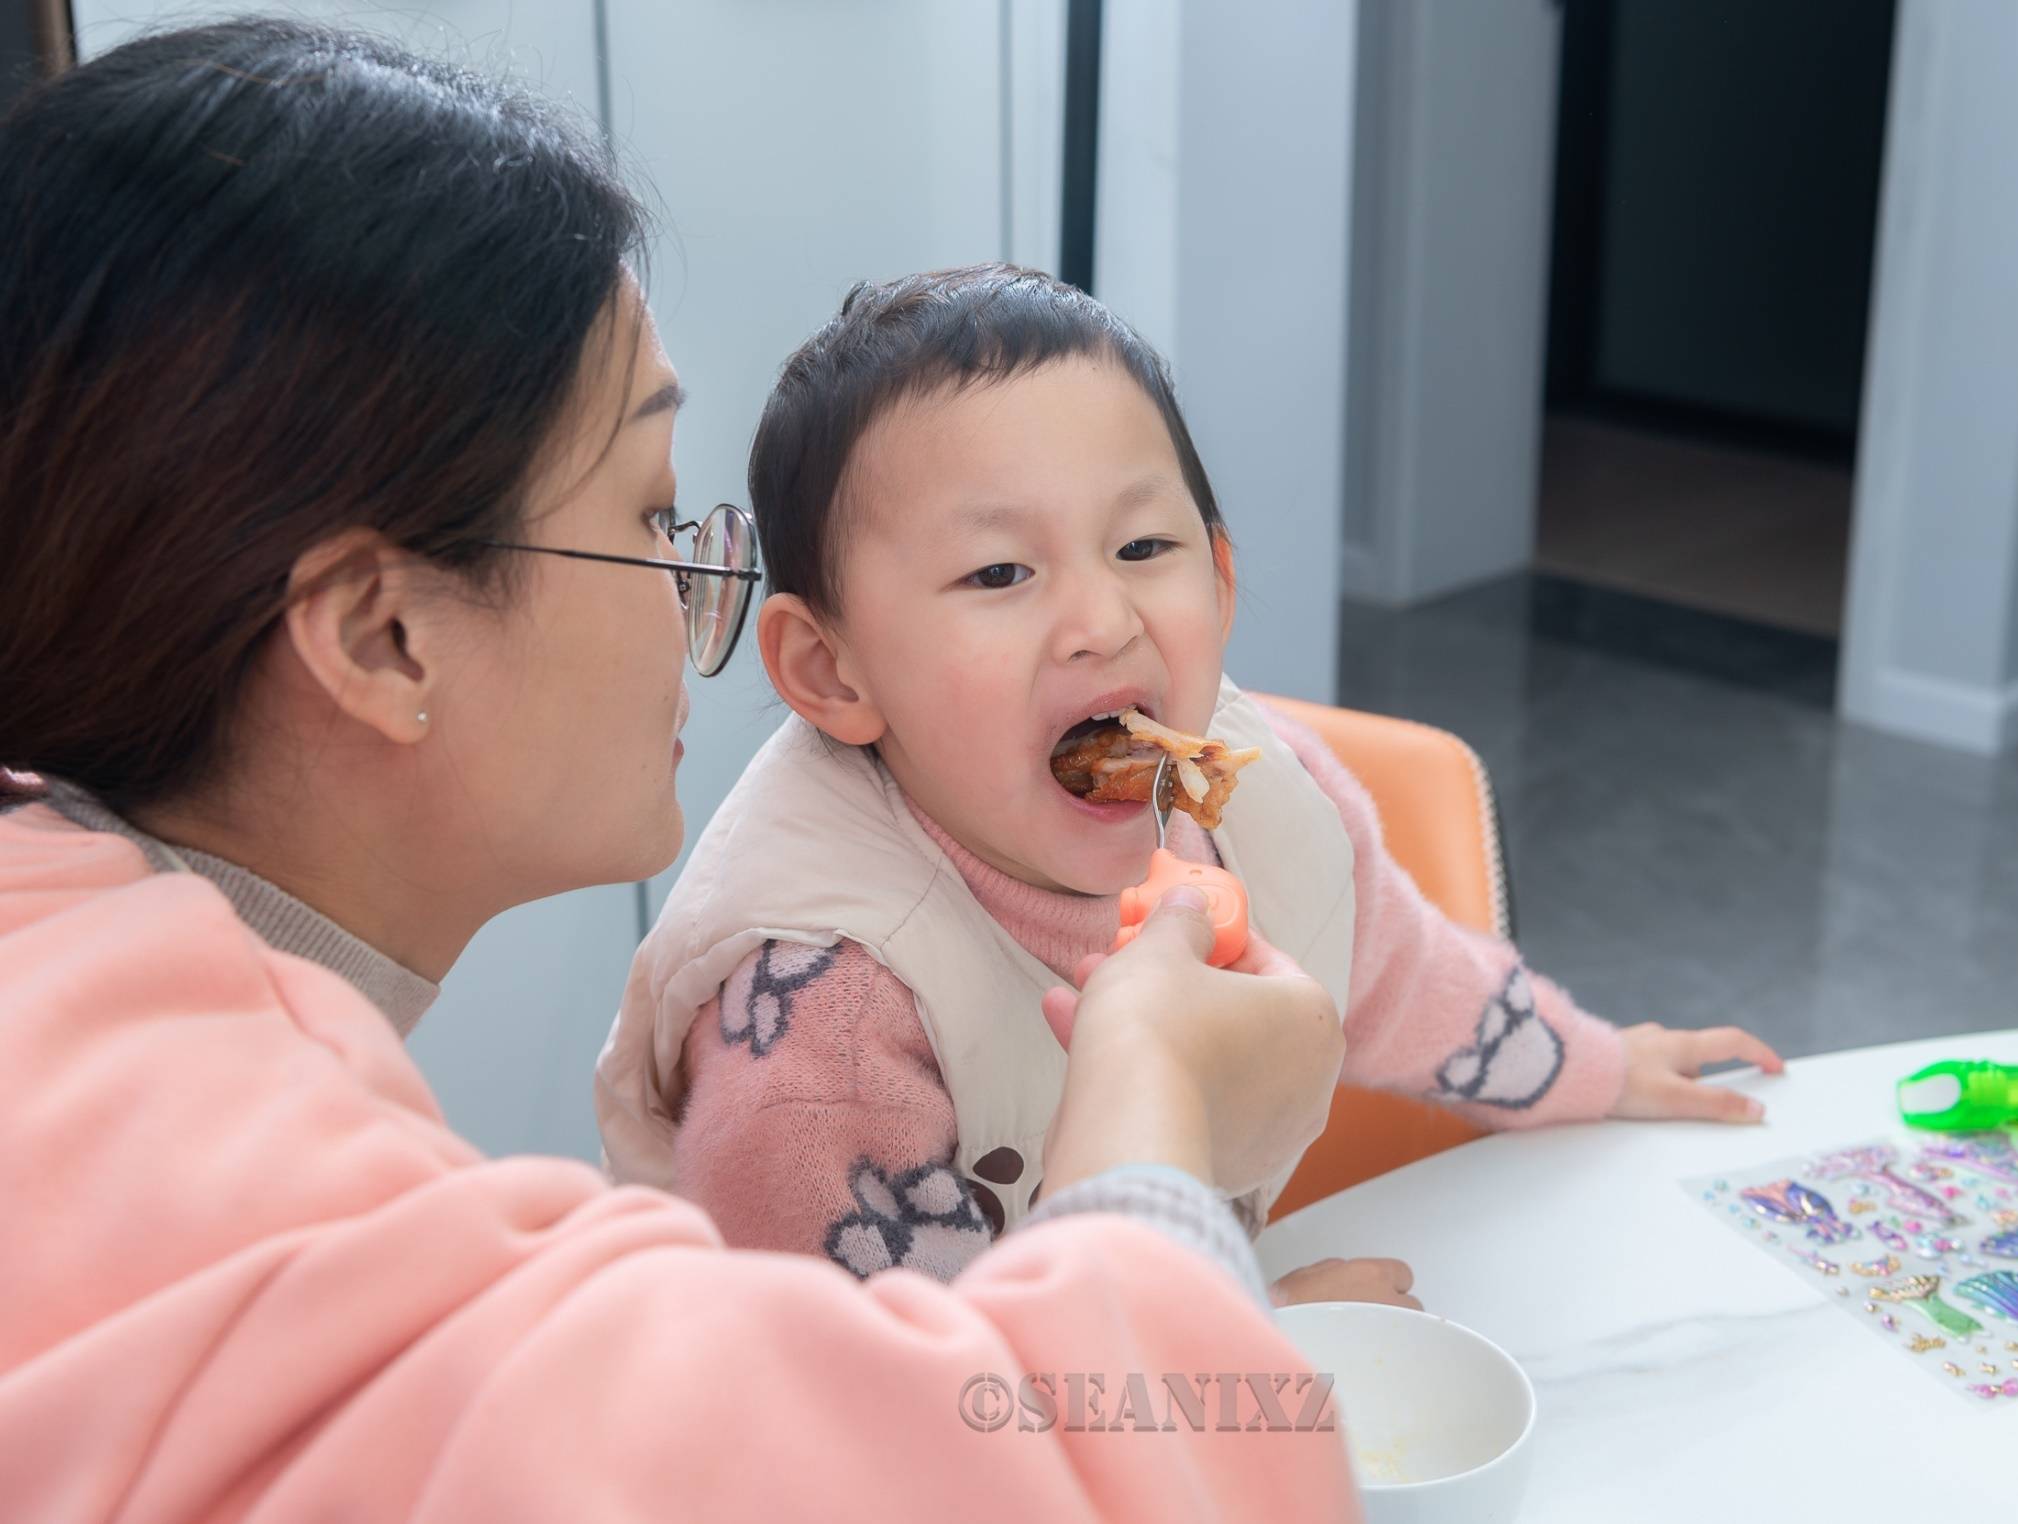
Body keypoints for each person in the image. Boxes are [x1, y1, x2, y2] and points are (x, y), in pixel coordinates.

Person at [0, 22, 1362, 1518]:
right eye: (651, 514)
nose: (692, 591)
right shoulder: (298, 1237)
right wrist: (1157, 1105)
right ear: (386, 637)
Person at [599, 265, 1786, 1306]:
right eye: (1000, 570)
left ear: (1219, 579)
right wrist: (1253, 1341)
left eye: (1143, 549)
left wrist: (1600, 1066)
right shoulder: (821, 1024)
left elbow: (1403, 973)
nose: (1100, 622)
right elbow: (893, 1428)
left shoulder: (1264, 799)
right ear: (832, 668)